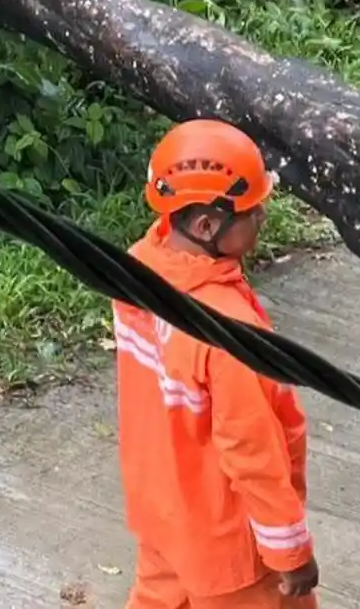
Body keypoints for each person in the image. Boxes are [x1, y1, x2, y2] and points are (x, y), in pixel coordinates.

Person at [111, 119, 320, 609]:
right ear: (206, 225)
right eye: (251, 210)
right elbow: (253, 453)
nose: (263, 215)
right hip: (229, 546)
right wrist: (290, 553)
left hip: (162, 514)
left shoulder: (137, 271)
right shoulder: (226, 331)